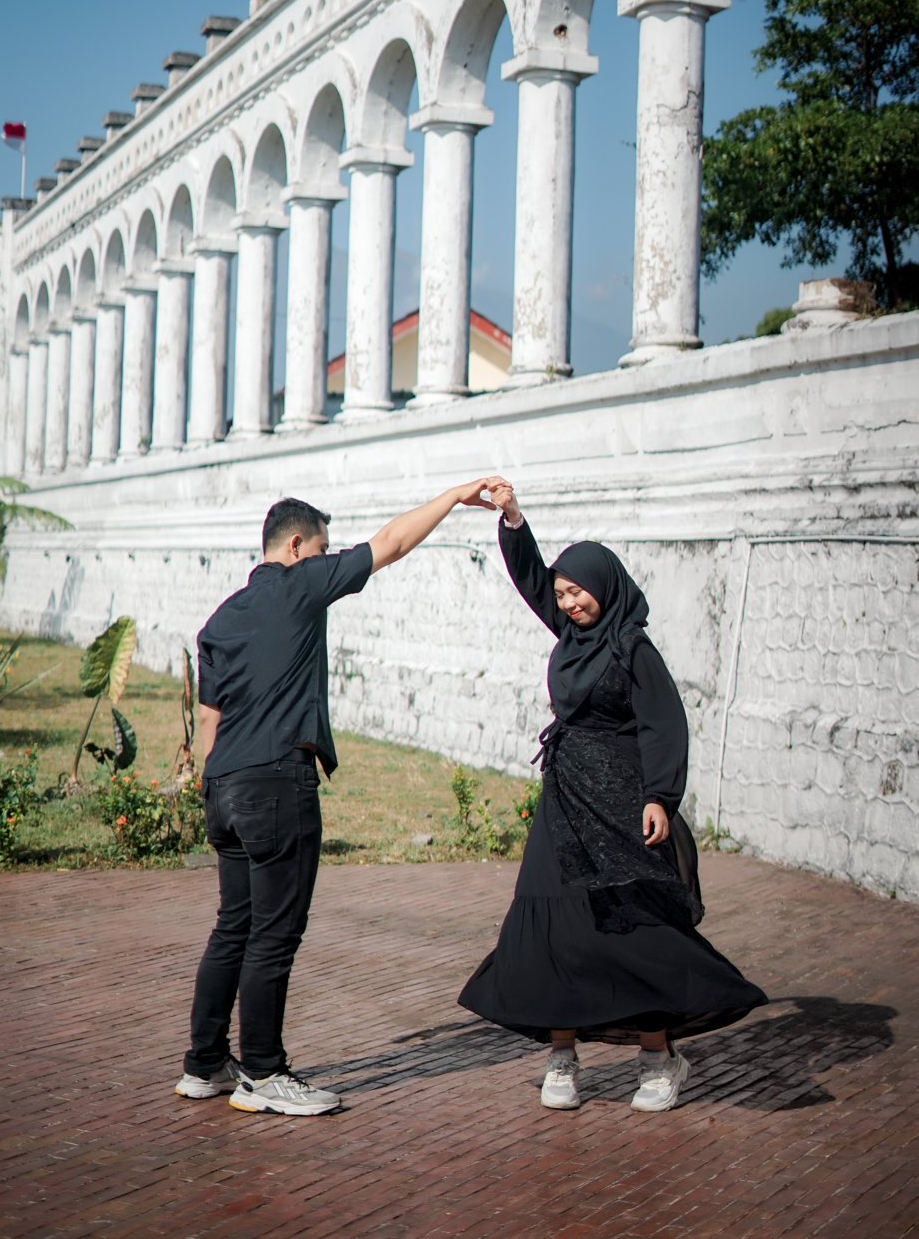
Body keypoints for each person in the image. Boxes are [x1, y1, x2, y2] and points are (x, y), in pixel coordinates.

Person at [176, 478, 502, 1116]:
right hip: (276, 783)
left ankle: (204, 1064)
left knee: (233, 928)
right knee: (274, 934)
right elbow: (392, 543)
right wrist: (453, 498)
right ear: (296, 546)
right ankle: (263, 1073)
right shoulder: (302, 583)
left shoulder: (220, 619)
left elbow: (208, 718)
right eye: (323, 549)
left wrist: (214, 786)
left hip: (223, 788)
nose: (327, 559)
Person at [458, 481, 767, 1113]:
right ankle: (562, 1056)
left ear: (606, 586)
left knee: (633, 927)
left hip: (623, 806)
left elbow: (665, 724)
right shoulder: (570, 635)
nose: (569, 603)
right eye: (562, 594)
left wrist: (660, 797)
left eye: (579, 591)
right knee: (555, 926)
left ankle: (658, 1059)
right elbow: (530, 578)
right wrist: (513, 518)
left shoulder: (632, 646)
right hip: (565, 804)